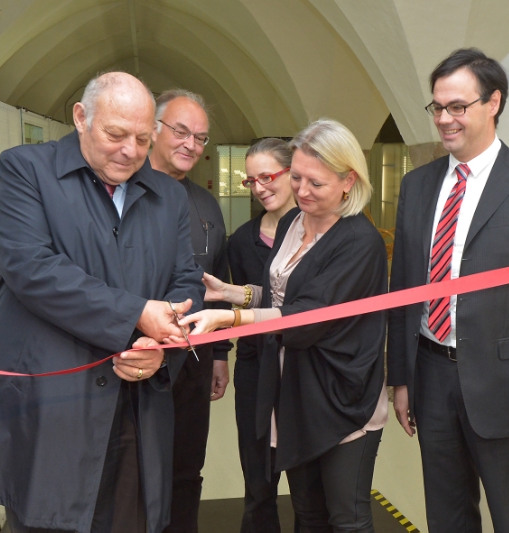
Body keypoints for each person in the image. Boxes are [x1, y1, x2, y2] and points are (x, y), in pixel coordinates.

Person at [0, 72, 205, 533]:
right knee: (46, 520)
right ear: (80, 117)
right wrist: (137, 315)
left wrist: (161, 346)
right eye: (115, 135)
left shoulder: (168, 195)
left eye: (143, 140)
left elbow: (186, 279)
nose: (130, 151)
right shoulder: (27, 170)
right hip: (51, 406)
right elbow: (32, 268)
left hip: (134, 407)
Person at [387, 48, 509, 532]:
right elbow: (403, 288)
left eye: (457, 106)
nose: (444, 119)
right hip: (431, 376)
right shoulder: (417, 185)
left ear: (494, 103)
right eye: (437, 107)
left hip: (506, 390)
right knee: (446, 517)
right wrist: (401, 379)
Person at [183, 119, 388, 533]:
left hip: (340, 394)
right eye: (297, 178)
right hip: (294, 391)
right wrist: (231, 293)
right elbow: (284, 298)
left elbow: (306, 317)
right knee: (308, 514)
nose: (302, 191)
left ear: (348, 181)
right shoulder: (294, 223)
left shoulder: (358, 241)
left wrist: (230, 319)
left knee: (347, 519)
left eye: (316, 182)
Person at [148, 88, 232, 533]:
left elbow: (219, 280)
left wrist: (220, 355)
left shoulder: (206, 204)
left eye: (200, 138)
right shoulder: (126, 191)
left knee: (186, 466)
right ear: (153, 129)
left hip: (195, 358)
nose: (191, 145)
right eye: (181, 132)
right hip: (139, 354)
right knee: (137, 467)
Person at [228, 138, 297, 532]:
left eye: (267, 177)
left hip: (304, 372)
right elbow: (249, 310)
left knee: (310, 493)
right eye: (251, 181)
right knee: (258, 486)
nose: (259, 188)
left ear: (293, 171)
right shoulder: (242, 240)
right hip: (256, 373)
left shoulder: (320, 233)